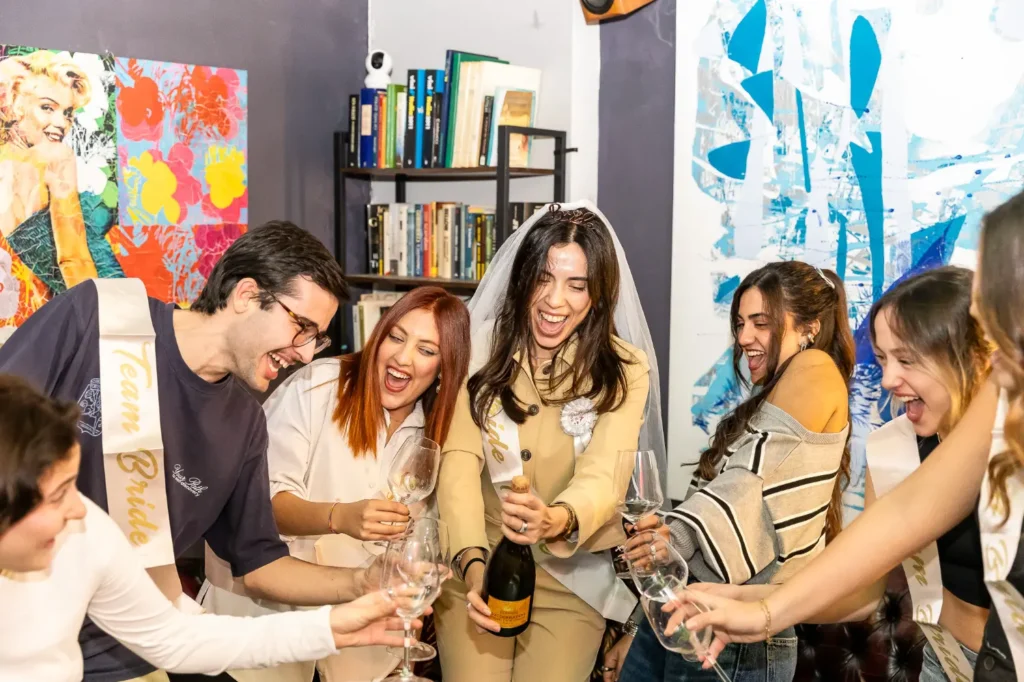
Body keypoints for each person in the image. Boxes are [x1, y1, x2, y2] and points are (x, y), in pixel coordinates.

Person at [0, 220, 386, 682]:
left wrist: (361, 585)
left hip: (129, 654)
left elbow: (256, 562)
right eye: (302, 327)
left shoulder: (245, 424)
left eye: (316, 338)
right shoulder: (99, 317)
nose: (306, 354)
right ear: (246, 295)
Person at [676, 191, 1024, 681]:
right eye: (881, 360)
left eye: (907, 359)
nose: (888, 380)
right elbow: (893, 536)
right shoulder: (904, 444)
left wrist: (764, 609)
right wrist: (755, 603)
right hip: (948, 660)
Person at [0, 373, 423, 682]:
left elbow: (174, 636)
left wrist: (329, 629)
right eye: (58, 495)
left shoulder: (87, 535)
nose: (79, 508)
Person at [434, 201, 666, 682]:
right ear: (523, 279)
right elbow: (457, 462)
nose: (555, 301)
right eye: (544, 278)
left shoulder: (625, 369)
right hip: (477, 556)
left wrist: (556, 519)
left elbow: (605, 474)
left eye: (576, 285)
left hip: (571, 575)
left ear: (598, 294)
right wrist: (473, 566)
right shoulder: (477, 345)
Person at [201, 286, 471, 682]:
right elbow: (259, 506)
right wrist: (339, 517)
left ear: (444, 366)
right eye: (396, 337)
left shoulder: (438, 431)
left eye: (426, 350)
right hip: (260, 632)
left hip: (359, 653)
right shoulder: (320, 385)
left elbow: (423, 539)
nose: (402, 357)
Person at [607, 260, 852, 682]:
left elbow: (748, 484)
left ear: (810, 328)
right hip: (687, 608)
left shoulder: (815, 367)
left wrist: (675, 536)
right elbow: (724, 502)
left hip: (741, 631)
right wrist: (638, 622)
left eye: (761, 323)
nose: (743, 338)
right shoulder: (765, 401)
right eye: (740, 324)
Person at [0, 50, 122, 323]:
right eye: (47, 107)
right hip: (104, 303)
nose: (61, 124)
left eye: (67, 113)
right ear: (17, 104)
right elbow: (73, 259)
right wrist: (101, 324)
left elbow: (43, 276)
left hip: (69, 310)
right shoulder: (56, 157)